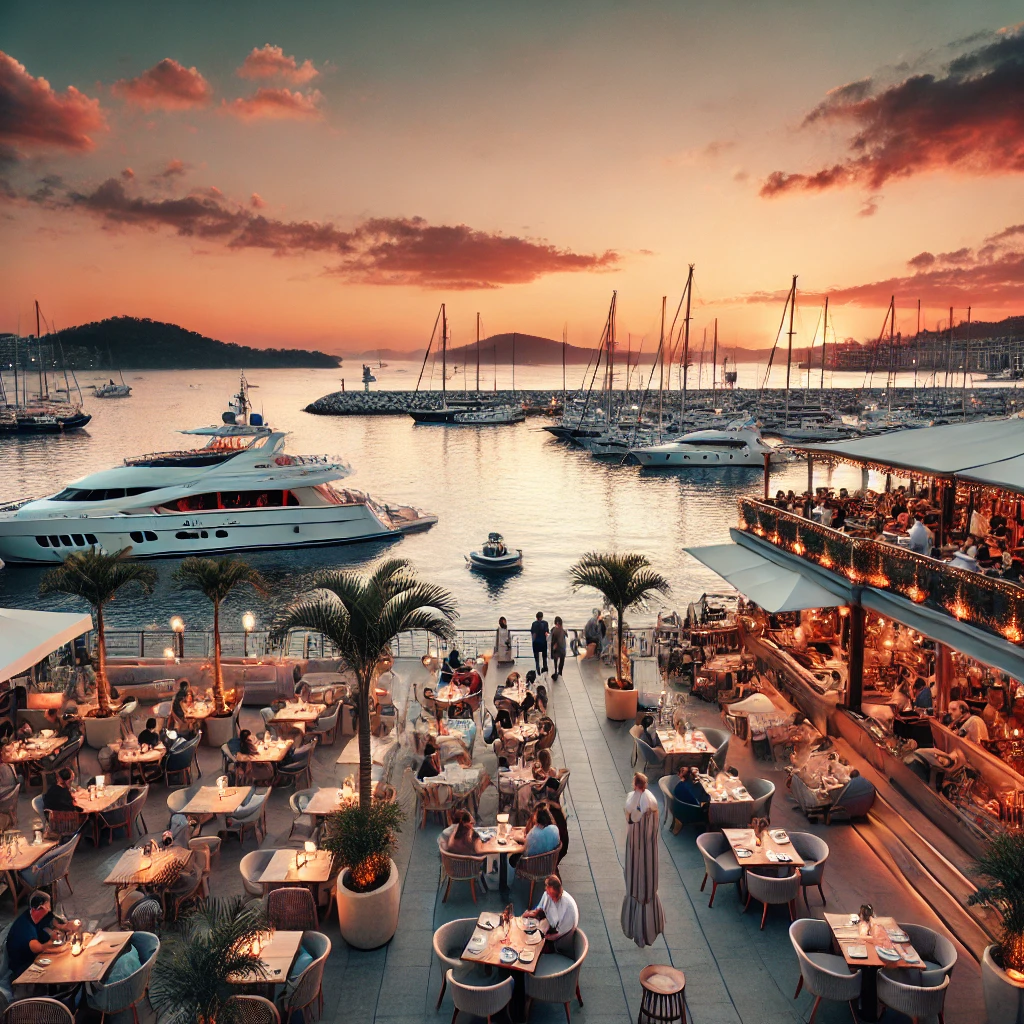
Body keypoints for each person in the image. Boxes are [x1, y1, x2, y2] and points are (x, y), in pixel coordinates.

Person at [7, 891, 75, 980]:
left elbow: (51, 921)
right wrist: (58, 946)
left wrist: (64, 926)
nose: (49, 909)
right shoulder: (25, 929)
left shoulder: (36, 914)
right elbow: (39, 948)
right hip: (24, 967)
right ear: (41, 907)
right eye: (47, 907)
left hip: (37, 956)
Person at [524, 875, 579, 950]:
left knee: (530, 947)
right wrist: (526, 914)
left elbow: (558, 934)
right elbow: (537, 911)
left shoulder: (568, 907)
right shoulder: (547, 894)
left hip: (560, 942)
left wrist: (542, 938)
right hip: (549, 930)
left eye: (551, 893)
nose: (547, 893)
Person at [550, 616, 567, 681]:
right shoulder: (562, 630)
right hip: (562, 647)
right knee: (562, 660)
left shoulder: (554, 630)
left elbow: (552, 639)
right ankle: (560, 672)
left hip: (556, 648)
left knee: (555, 660)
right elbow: (566, 635)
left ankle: (556, 671)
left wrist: (552, 650)